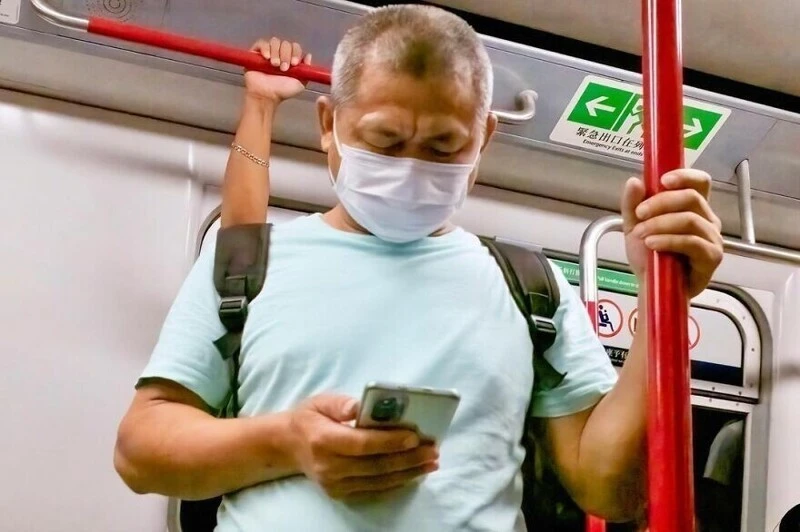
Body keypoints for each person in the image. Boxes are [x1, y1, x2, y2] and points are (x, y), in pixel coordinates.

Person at [113, 5, 724, 531]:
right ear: (328, 125)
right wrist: (286, 441)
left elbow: (612, 491)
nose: (409, 167)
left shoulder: (529, 288)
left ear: (484, 140)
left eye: (442, 147)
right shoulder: (248, 266)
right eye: (384, 141)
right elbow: (140, 452)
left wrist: (661, 300)